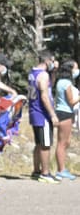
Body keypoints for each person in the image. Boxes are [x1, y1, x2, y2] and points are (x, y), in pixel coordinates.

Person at [27, 50, 60, 183]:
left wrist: (54, 72)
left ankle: (36, 170)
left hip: (34, 112)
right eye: (52, 61)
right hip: (43, 114)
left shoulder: (33, 73)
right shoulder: (43, 75)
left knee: (39, 143)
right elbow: (45, 96)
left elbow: (50, 85)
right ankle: (45, 173)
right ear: (47, 61)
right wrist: (52, 114)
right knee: (46, 144)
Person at [52, 59, 79, 180]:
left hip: (61, 112)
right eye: (75, 68)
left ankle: (62, 168)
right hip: (65, 113)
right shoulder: (67, 84)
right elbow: (72, 102)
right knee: (62, 143)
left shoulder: (60, 82)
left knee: (65, 141)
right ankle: (61, 169)